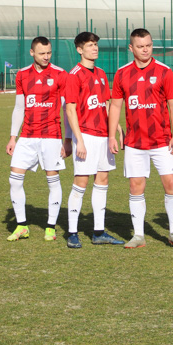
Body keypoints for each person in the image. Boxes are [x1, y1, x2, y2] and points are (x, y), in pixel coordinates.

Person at [108, 28, 173, 249]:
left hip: (162, 140)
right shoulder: (122, 73)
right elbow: (115, 105)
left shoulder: (164, 71)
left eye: (149, 45)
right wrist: (111, 135)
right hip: (134, 142)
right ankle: (139, 235)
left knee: (171, 183)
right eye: (141, 46)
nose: (146, 50)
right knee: (136, 186)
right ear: (131, 48)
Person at [63, 31, 124, 248]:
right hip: (86, 135)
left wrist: (116, 129)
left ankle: (99, 232)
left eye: (96, 44)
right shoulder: (73, 75)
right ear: (79, 50)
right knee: (81, 182)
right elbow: (70, 109)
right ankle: (72, 232)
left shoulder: (100, 73)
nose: (95, 48)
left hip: (102, 136)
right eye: (90, 45)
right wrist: (78, 140)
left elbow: (106, 104)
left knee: (103, 180)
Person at [6, 37, 69, 242]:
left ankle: (50, 227)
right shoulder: (23, 75)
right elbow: (19, 107)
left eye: (49, 52)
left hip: (51, 136)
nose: (46, 56)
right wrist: (13, 137)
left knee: (53, 180)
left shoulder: (60, 74)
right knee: (14, 179)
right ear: (32, 53)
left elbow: (67, 110)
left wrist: (66, 139)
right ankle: (22, 225)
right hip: (27, 136)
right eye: (42, 53)